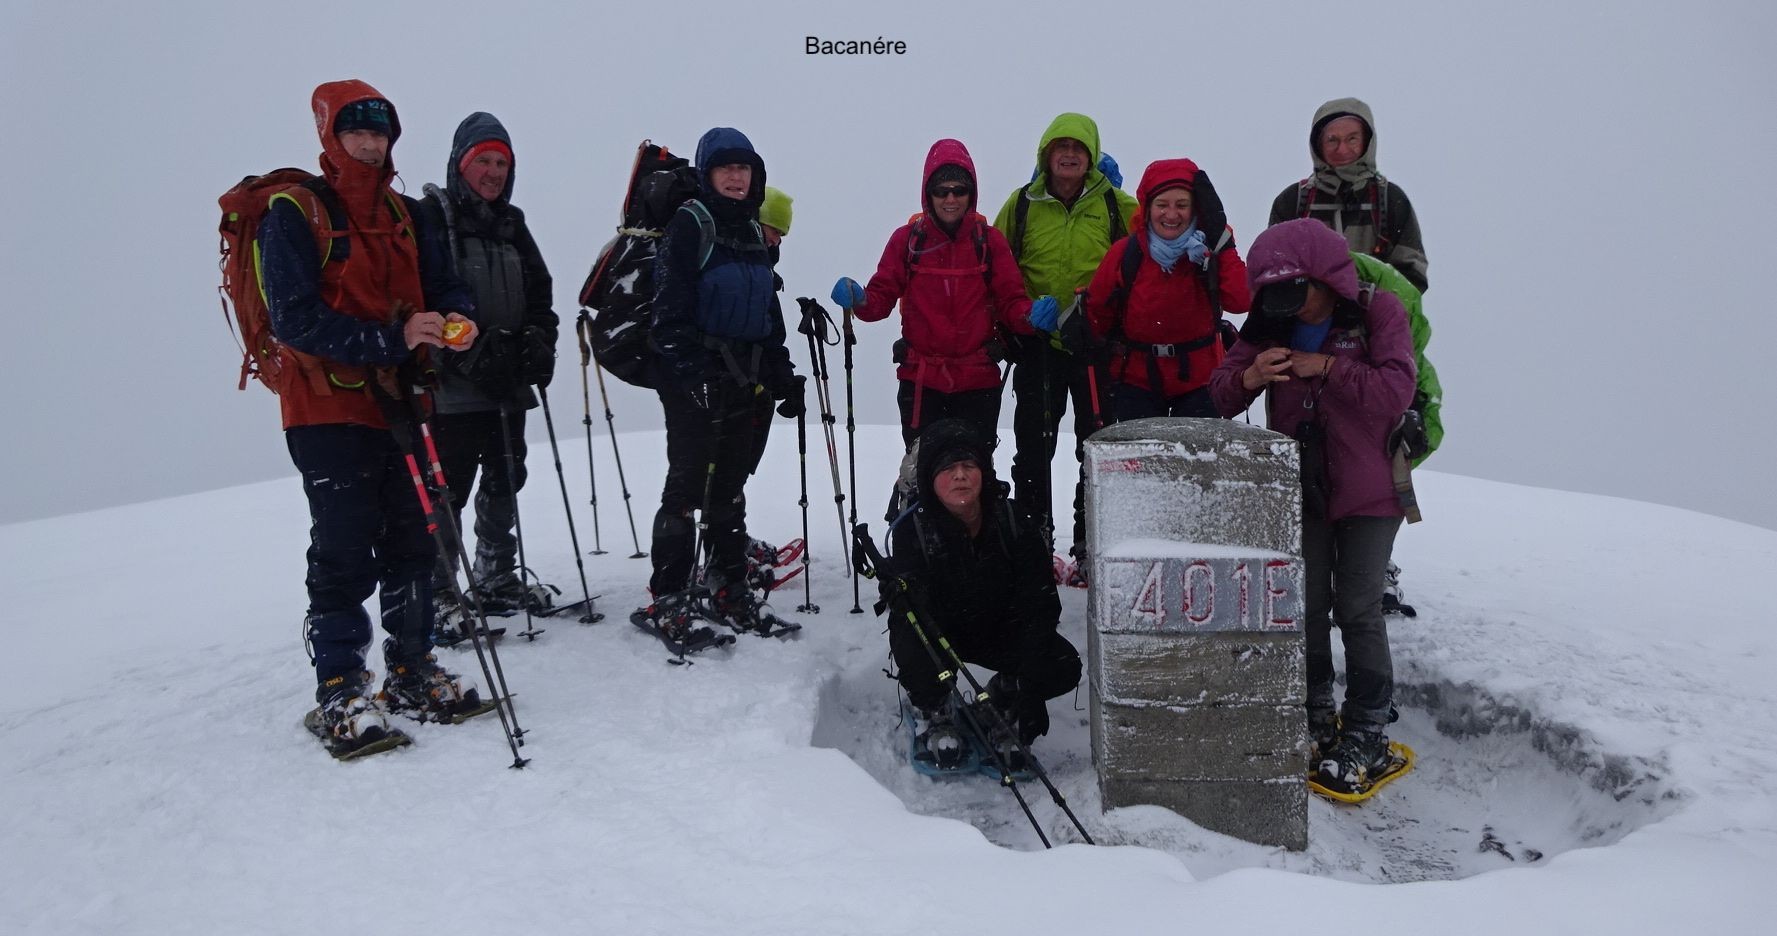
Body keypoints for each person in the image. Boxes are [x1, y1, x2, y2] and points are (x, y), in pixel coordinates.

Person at [256, 80, 484, 751]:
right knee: (344, 548)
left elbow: (445, 288)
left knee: (414, 540)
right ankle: (340, 689)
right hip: (327, 410)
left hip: (407, 402)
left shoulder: (408, 214)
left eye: (381, 131)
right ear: (330, 134)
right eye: (357, 130)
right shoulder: (293, 212)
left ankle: (412, 667)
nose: (371, 141)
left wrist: (457, 322)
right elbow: (291, 319)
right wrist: (392, 340)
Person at [1209, 219, 1417, 795]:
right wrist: (1252, 374)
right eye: (1278, 297)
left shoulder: (1377, 313)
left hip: (1371, 489)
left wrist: (1326, 366)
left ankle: (1368, 727)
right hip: (1302, 489)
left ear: (1325, 280)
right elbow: (1221, 391)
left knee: (1357, 607)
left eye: (1297, 294)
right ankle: (1315, 714)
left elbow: (1396, 392)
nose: (1291, 309)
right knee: (1304, 609)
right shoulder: (1271, 322)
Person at [633, 127, 801, 638]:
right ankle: (668, 597)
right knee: (685, 488)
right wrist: (690, 376)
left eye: (743, 168)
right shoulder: (691, 225)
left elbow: (766, 313)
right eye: (725, 167)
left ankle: (727, 589)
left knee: (727, 489)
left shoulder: (751, 232)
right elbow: (670, 310)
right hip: (695, 382)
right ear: (707, 173)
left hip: (740, 379)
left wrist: (782, 373)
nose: (735, 176)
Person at [416, 112, 561, 639]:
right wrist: (468, 356)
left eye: (502, 163)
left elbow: (541, 295)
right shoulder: (433, 218)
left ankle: (495, 575)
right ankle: (438, 592)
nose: (494, 172)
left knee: (505, 477)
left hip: (508, 384)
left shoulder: (513, 225)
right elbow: (425, 295)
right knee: (446, 489)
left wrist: (538, 346)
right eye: (484, 161)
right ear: (461, 164)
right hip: (449, 388)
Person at [992, 113, 1137, 583]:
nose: (1069, 154)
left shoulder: (1118, 205)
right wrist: (1014, 320)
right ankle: (1035, 543)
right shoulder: (1021, 206)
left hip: (1097, 347)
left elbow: (1152, 255)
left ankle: (1089, 545)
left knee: (1095, 448)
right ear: (1045, 154)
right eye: (1060, 146)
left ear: (1092, 154)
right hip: (1038, 345)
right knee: (1034, 448)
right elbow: (996, 266)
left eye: (1078, 146)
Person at [885, 419, 1082, 767]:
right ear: (931, 480)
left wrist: (1031, 687)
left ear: (983, 472)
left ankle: (1006, 695)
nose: (960, 475)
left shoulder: (1013, 520)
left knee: (1061, 665)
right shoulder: (913, 531)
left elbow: (1041, 605)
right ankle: (936, 706)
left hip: (998, 629)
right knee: (912, 636)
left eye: (968, 466)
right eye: (948, 468)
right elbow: (908, 610)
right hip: (942, 634)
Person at [829, 139, 1043, 454]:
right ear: (927, 194)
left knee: (973, 475)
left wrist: (1030, 316)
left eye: (959, 190)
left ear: (972, 193)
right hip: (921, 383)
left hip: (978, 381)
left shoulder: (990, 242)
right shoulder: (908, 241)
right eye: (941, 190)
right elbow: (880, 299)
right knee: (922, 472)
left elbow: (1011, 301)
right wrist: (859, 299)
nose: (950, 198)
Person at [1085, 158, 1251, 421]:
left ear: (1196, 208)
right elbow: (1096, 315)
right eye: (1162, 205)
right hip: (1136, 380)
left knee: (1197, 462)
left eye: (1182, 205)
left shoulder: (1210, 248)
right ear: (1147, 207)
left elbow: (1241, 299)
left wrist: (1222, 240)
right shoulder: (1126, 253)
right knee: (1141, 462)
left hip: (1201, 380)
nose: (1172, 215)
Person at [1269, 97, 1428, 293]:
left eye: (1352, 138)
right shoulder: (1293, 202)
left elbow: (1412, 276)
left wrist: (1368, 301)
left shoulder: (1390, 200)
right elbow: (1273, 270)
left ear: (1367, 142)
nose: (1342, 149)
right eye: (1332, 140)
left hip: (1377, 321)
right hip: (1307, 322)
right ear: (1318, 145)